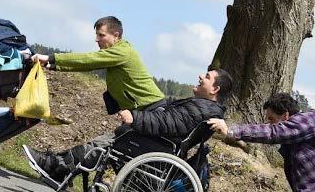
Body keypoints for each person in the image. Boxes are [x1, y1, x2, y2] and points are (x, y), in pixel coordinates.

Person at [24, 68, 232, 185]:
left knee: (106, 143)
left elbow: (168, 123)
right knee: (109, 139)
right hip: (158, 145)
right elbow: (169, 116)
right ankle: (60, 166)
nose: (200, 76)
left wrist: (134, 117)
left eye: (206, 77)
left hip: (157, 147)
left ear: (215, 88)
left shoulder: (203, 109)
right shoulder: (204, 108)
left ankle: (57, 167)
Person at [32, 15, 165, 114]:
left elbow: (90, 59)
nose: (96, 40)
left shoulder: (123, 52)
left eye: (101, 35)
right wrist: (53, 66)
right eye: (96, 35)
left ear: (116, 35)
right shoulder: (116, 52)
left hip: (151, 109)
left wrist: (51, 57)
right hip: (140, 109)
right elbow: (88, 65)